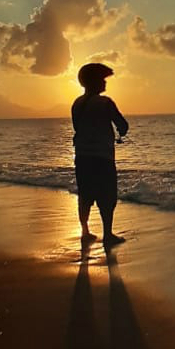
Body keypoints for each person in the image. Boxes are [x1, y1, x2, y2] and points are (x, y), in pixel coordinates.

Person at [71, 62, 129, 249]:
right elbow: (123, 125)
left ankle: (85, 232)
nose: (105, 83)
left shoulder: (76, 104)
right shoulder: (105, 103)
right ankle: (107, 234)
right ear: (95, 82)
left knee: (85, 195)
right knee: (107, 196)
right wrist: (121, 131)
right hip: (102, 158)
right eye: (103, 79)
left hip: (82, 156)